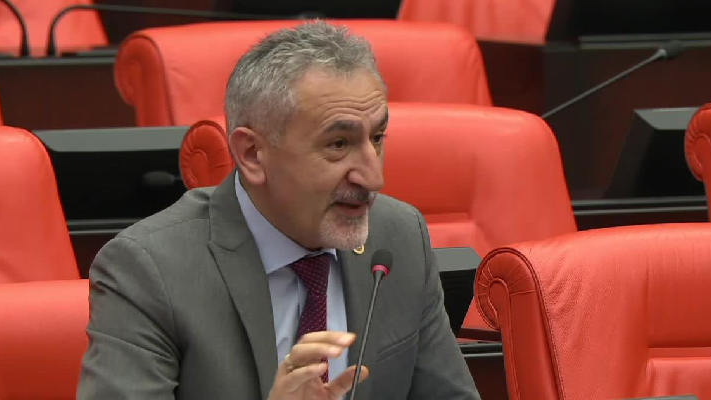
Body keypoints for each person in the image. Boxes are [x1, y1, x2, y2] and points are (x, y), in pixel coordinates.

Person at [77, 21, 480, 399]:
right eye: (338, 144)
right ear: (253, 154)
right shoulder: (149, 270)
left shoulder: (399, 236)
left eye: (376, 138)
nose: (373, 178)